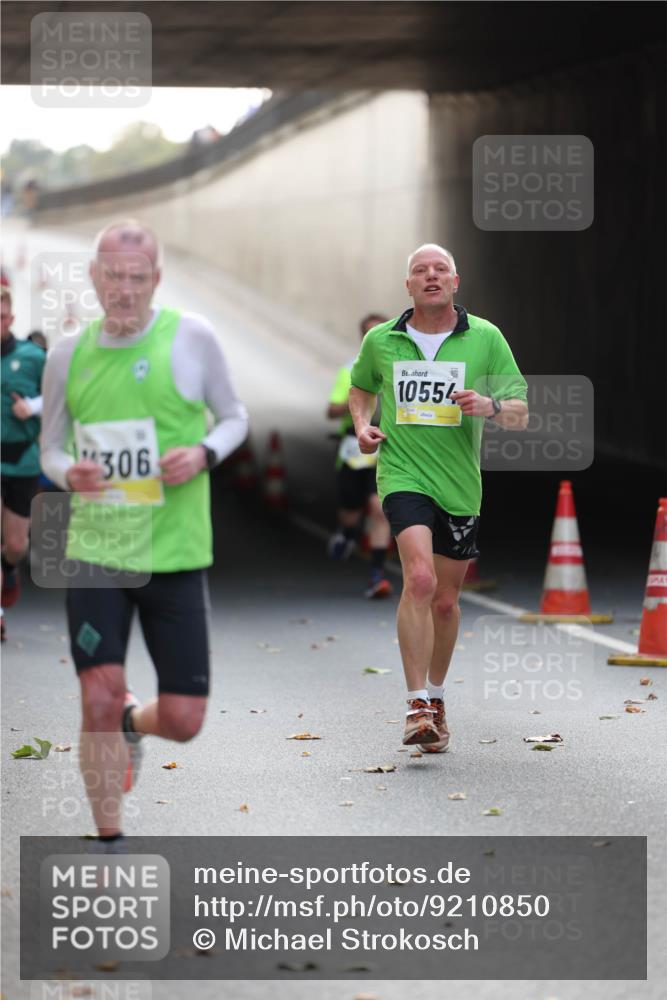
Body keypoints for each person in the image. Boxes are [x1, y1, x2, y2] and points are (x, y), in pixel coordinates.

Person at [41, 221, 248, 850]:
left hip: (176, 553)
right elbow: (49, 446)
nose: (124, 289)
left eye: (137, 278)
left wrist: (204, 453)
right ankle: (109, 842)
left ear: (155, 279)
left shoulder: (192, 337)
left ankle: (136, 719)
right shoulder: (66, 356)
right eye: (113, 276)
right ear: (95, 278)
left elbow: (235, 417)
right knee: (96, 697)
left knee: (184, 720)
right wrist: (66, 473)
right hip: (97, 552)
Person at [349, 244, 528, 751]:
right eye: (419, 271)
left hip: (460, 483)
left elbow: (520, 411)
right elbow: (360, 389)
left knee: (446, 602)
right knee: (420, 579)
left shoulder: (486, 338)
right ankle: (415, 706)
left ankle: (437, 697)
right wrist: (363, 426)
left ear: (456, 281)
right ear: (407, 286)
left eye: (440, 270)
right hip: (404, 474)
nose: (430, 276)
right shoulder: (381, 341)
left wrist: (490, 405)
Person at [327, 313, 393, 599]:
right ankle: (348, 530)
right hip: (355, 446)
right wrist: (356, 402)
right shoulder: (350, 370)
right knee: (352, 511)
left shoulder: (402, 369)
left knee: (379, 510)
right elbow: (331, 411)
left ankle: (377, 574)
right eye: (369, 333)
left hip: (387, 444)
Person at [1, 287, 46, 640]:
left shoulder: (33, 356)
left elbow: (62, 394)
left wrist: (32, 407)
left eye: (1, 317)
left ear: (11, 319)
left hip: (21, 459)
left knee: (16, 544)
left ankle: (9, 568)